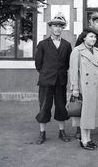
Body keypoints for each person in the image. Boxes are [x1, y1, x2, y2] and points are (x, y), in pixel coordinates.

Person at [35, 12, 72, 144]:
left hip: (61, 80)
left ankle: (62, 131)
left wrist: (59, 73)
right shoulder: (43, 44)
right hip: (46, 80)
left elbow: (68, 63)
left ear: (62, 28)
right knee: (44, 106)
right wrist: (47, 73)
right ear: (50, 28)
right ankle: (42, 133)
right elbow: (38, 63)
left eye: (60, 26)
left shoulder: (67, 45)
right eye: (55, 26)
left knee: (61, 106)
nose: (57, 28)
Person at [75, 12, 98, 138]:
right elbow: (76, 63)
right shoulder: (83, 37)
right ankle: (80, 131)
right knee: (84, 105)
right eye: (97, 21)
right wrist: (75, 86)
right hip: (86, 79)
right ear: (91, 23)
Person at [69, 27, 98, 150]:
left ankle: (88, 138)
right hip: (83, 87)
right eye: (91, 36)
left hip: (96, 86)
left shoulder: (97, 51)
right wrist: (74, 88)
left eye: (95, 37)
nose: (93, 39)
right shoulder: (77, 51)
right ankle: (84, 139)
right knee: (85, 114)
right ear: (84, 37)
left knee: (91, 114)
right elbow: (73, 71)